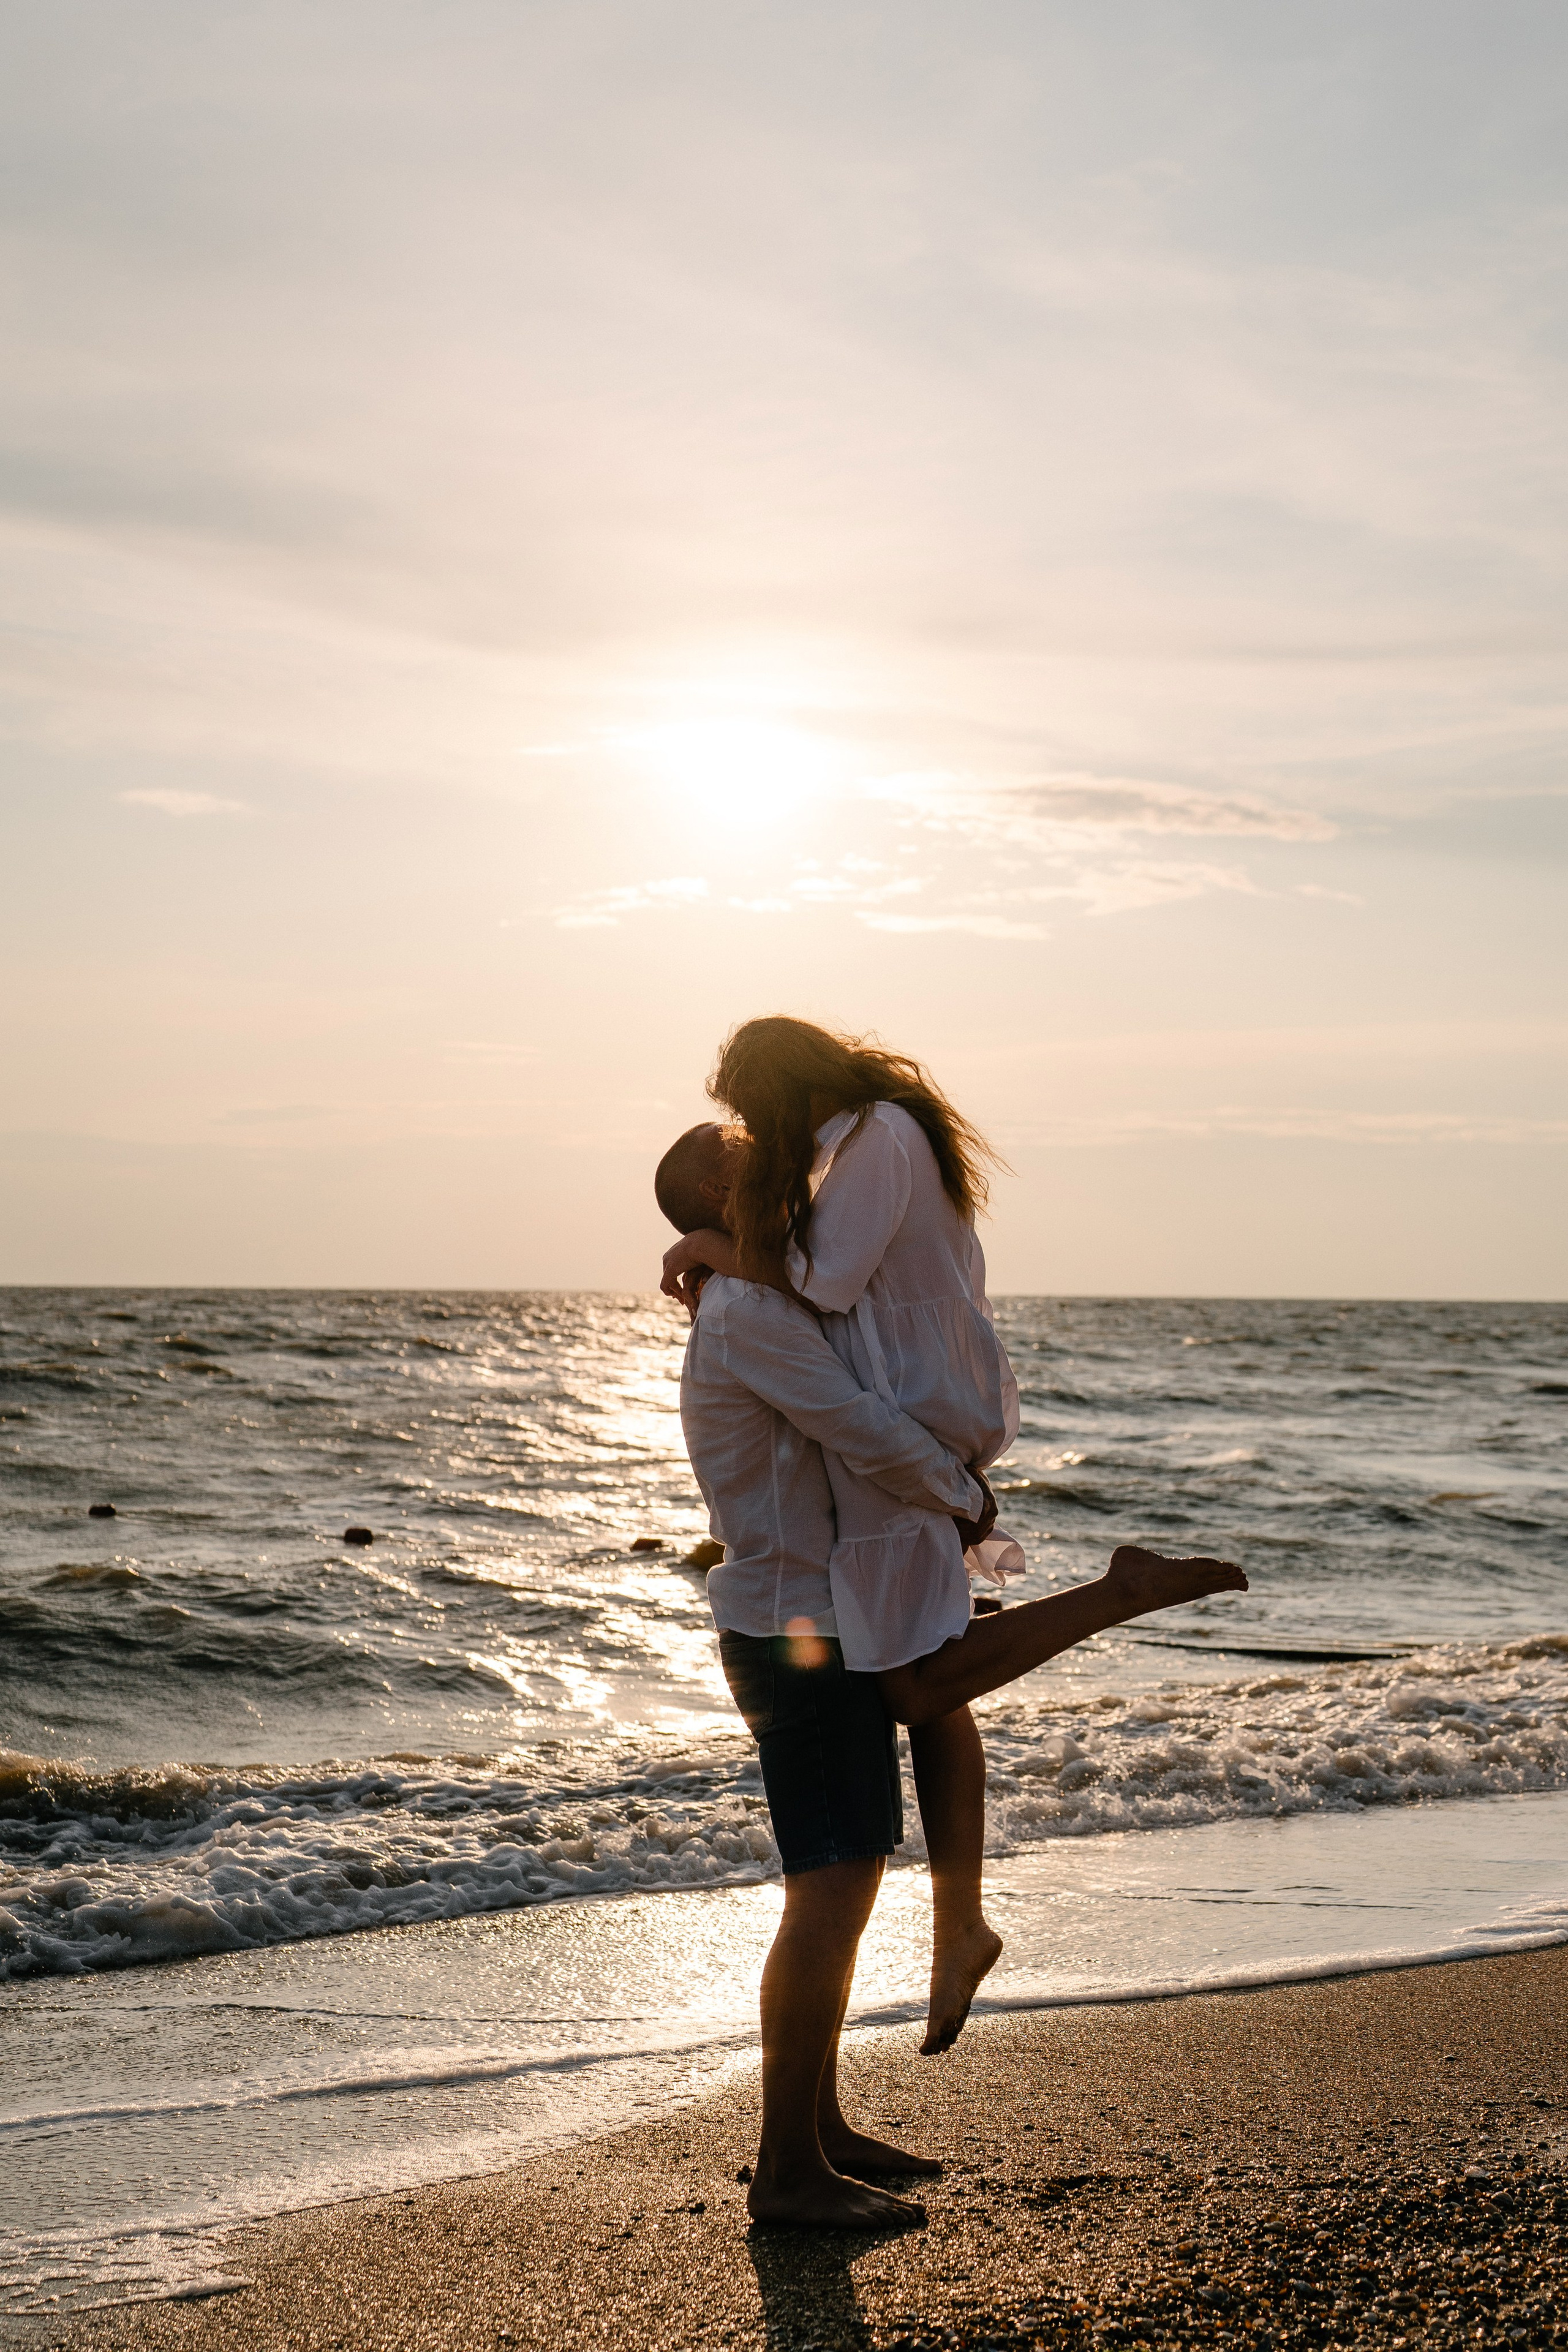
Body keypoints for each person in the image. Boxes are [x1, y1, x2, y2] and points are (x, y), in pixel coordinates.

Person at [657, 1119, 1248, 2230]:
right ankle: (787, 2172)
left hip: (825, 1613)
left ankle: (817, 2128)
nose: (782, 1164)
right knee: (829, 1891)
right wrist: (964, 1496)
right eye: (745, 1158)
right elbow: (860, 1429)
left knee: (849, 1875)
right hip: (800, 1633)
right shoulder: (748, 1314)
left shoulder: (770, 1295)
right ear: (716, 1194)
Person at [660, 1017, 1020, 2054]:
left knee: (919, 1684)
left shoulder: (868, 1143)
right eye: (737, 1151)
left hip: (913, 1412)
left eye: (749, 1123)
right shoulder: (866, 1151)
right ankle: (960, 1930)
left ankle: (959, 1930)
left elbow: (821, 1286)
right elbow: (820, 1307)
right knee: (921, 1682)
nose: (759, 1144)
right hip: (912, 1420)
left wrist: (708, 1246)